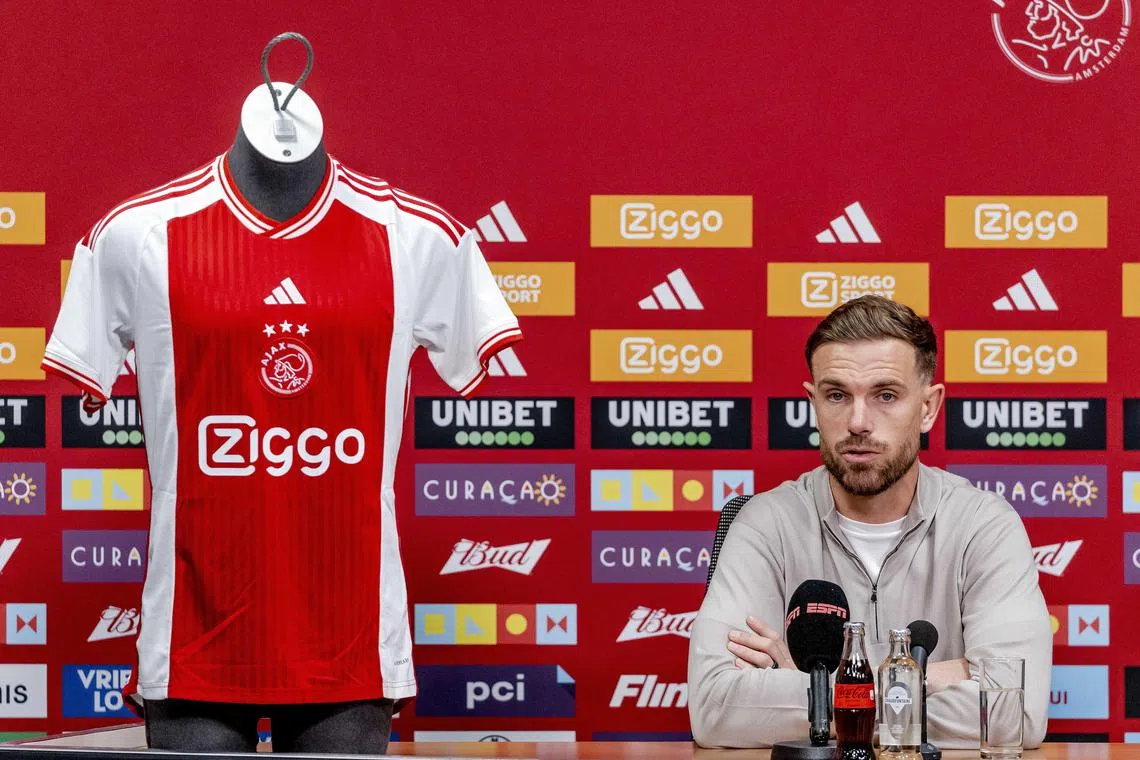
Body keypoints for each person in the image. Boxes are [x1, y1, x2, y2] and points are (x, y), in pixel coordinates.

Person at [687, 295, 1051, 749]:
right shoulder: (765, 523)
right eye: (837, 395)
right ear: (813, 402)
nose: (858, 421)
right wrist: (936, 677)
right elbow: (715, 709)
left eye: (886, 395)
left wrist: (812, 687)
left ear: (928, 408)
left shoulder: (984, 525)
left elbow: (1012, 714)